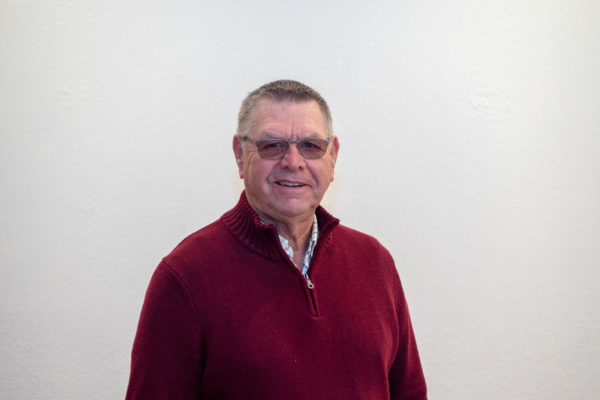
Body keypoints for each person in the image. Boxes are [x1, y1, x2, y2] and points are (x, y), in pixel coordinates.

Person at [125, 80, 427, 399]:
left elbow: (409, 392)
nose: (293, 162)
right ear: (240, 155)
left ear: (333, 156)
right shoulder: (185, 276)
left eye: (311, 146)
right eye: (272, 146)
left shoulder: (374, 261)